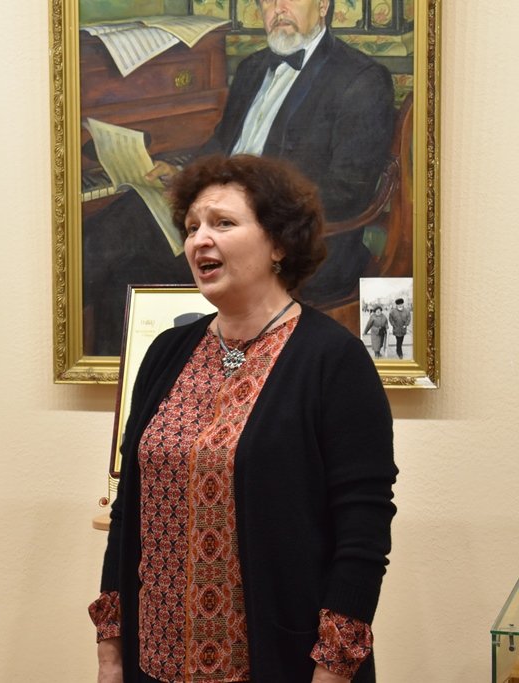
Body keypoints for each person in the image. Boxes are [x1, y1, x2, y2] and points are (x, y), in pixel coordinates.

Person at [91, 155, 397, 682]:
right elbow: (126, 515)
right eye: (192, 227)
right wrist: (110, 651)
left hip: (282, 663)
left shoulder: (333, 359)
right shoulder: (166, 353)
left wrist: (333, 669)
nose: (199, 240)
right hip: (153, 663)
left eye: (223, 223)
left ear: (279, 243)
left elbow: (362, 534)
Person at [82, 0, 395, 356]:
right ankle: (110, 375)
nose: (278, 8)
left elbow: (349, 191)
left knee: (119, 245)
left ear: (323, 4)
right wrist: (184, 174)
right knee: (119, 248)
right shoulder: (252, 67)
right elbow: (222, 144)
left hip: (290, 243)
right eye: (267, 1)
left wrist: (251, 204)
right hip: (222, 223)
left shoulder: (361, 78)